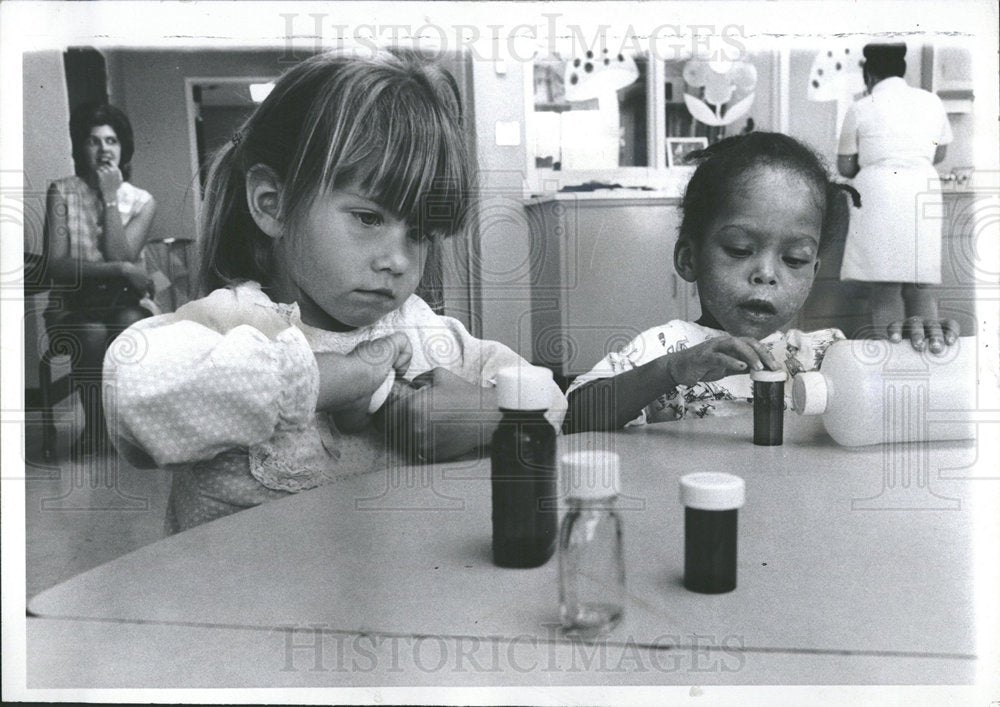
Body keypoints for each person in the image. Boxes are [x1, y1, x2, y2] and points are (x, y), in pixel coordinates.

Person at [103, 50, 566, 533]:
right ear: (272, 205)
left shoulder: (420, 331)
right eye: (369, 218)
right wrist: (323, 380)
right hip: (242, 598)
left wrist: (486, 413)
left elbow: (547, 394)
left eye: (420, 233)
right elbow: (128, 396)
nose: (399, 260)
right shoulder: (231, 321)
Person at [563, 132, 957, 433]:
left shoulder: (825, 355)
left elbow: (902, 410)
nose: (767, 274)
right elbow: (574, 416)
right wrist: (669, 372)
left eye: (794, 259)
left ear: (813, 272)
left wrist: (917, 353)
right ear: (689, 259)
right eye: (738, 249)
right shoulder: (666, 348)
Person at [43, 102, 158, 456]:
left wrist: (110, 198)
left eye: (111, 141)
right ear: (81, 147)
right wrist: (122, 271)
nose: (104, 149)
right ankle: (96, 428)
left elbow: (119, 252)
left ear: (123, 149)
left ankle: (127, 428)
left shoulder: (142, 201)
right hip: (72, 305)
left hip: (122, 302)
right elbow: (57, 267)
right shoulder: (61, 192)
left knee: (131, 326)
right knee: (91, 333)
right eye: (94, 141)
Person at [837, 42, 953, 333]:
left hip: (880, 194)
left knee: (885, 287)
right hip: (920, 190)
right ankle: (929, 355)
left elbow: (846, 167)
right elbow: (939, 154)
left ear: (870, 75)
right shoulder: (930, 101)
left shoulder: (861, 107)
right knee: (920, 285)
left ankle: (893, 360)